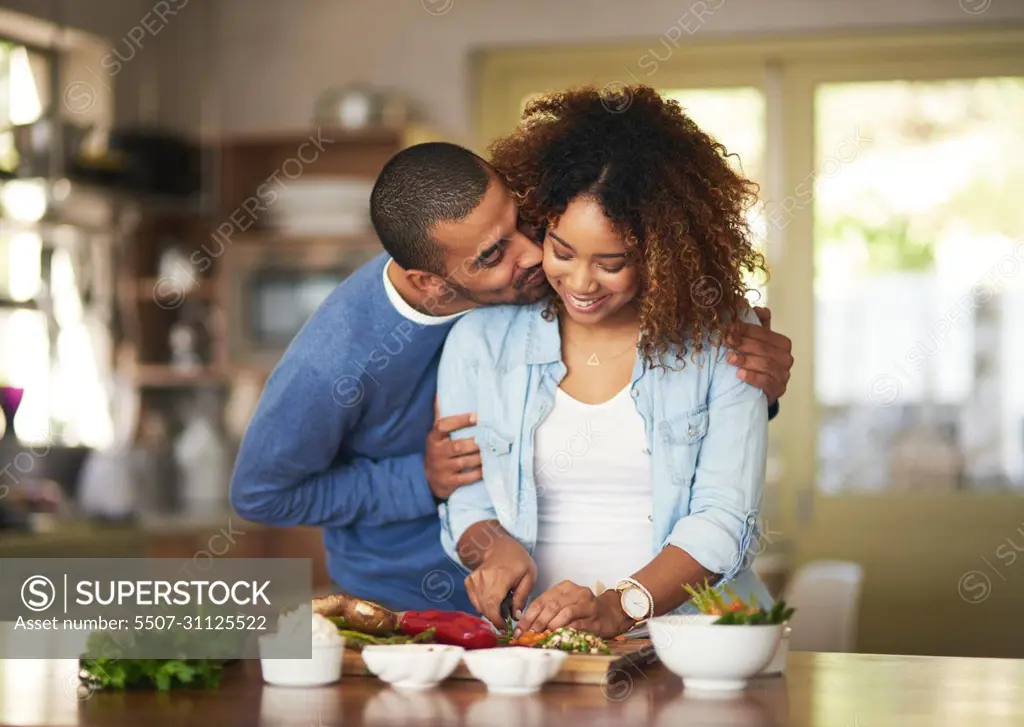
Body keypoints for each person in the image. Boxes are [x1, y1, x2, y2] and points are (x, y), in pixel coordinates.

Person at [230, 136, 793, 613]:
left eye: (523, 221)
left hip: (549, 612)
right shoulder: (335, 361)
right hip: (408, 597)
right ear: (432, 283)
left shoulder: (541, 273)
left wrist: (745, 380)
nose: (532, 255)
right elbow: (261, 495)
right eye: (495, 253)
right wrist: (418, 480)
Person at [436, 85, 778, 638]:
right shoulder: (480, 341)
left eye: (612, 262)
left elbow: (724, 518)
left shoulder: (723, 338)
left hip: (692, 645)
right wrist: (491, 546)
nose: (580, 283)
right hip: (541, 649)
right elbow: (466, 498)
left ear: (662, 252)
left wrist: (620, 607)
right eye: (562, 252)